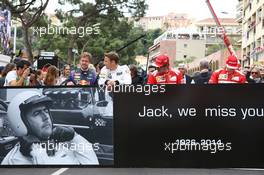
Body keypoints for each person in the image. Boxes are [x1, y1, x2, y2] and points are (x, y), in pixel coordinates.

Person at [1, 91, 99, 165]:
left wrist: (74, 137)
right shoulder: (15, 161)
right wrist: (36, 151)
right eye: (36, 113)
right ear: (20, 122)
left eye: (45, 111)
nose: (45, 117)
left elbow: (92, 166)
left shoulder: (58, 145)